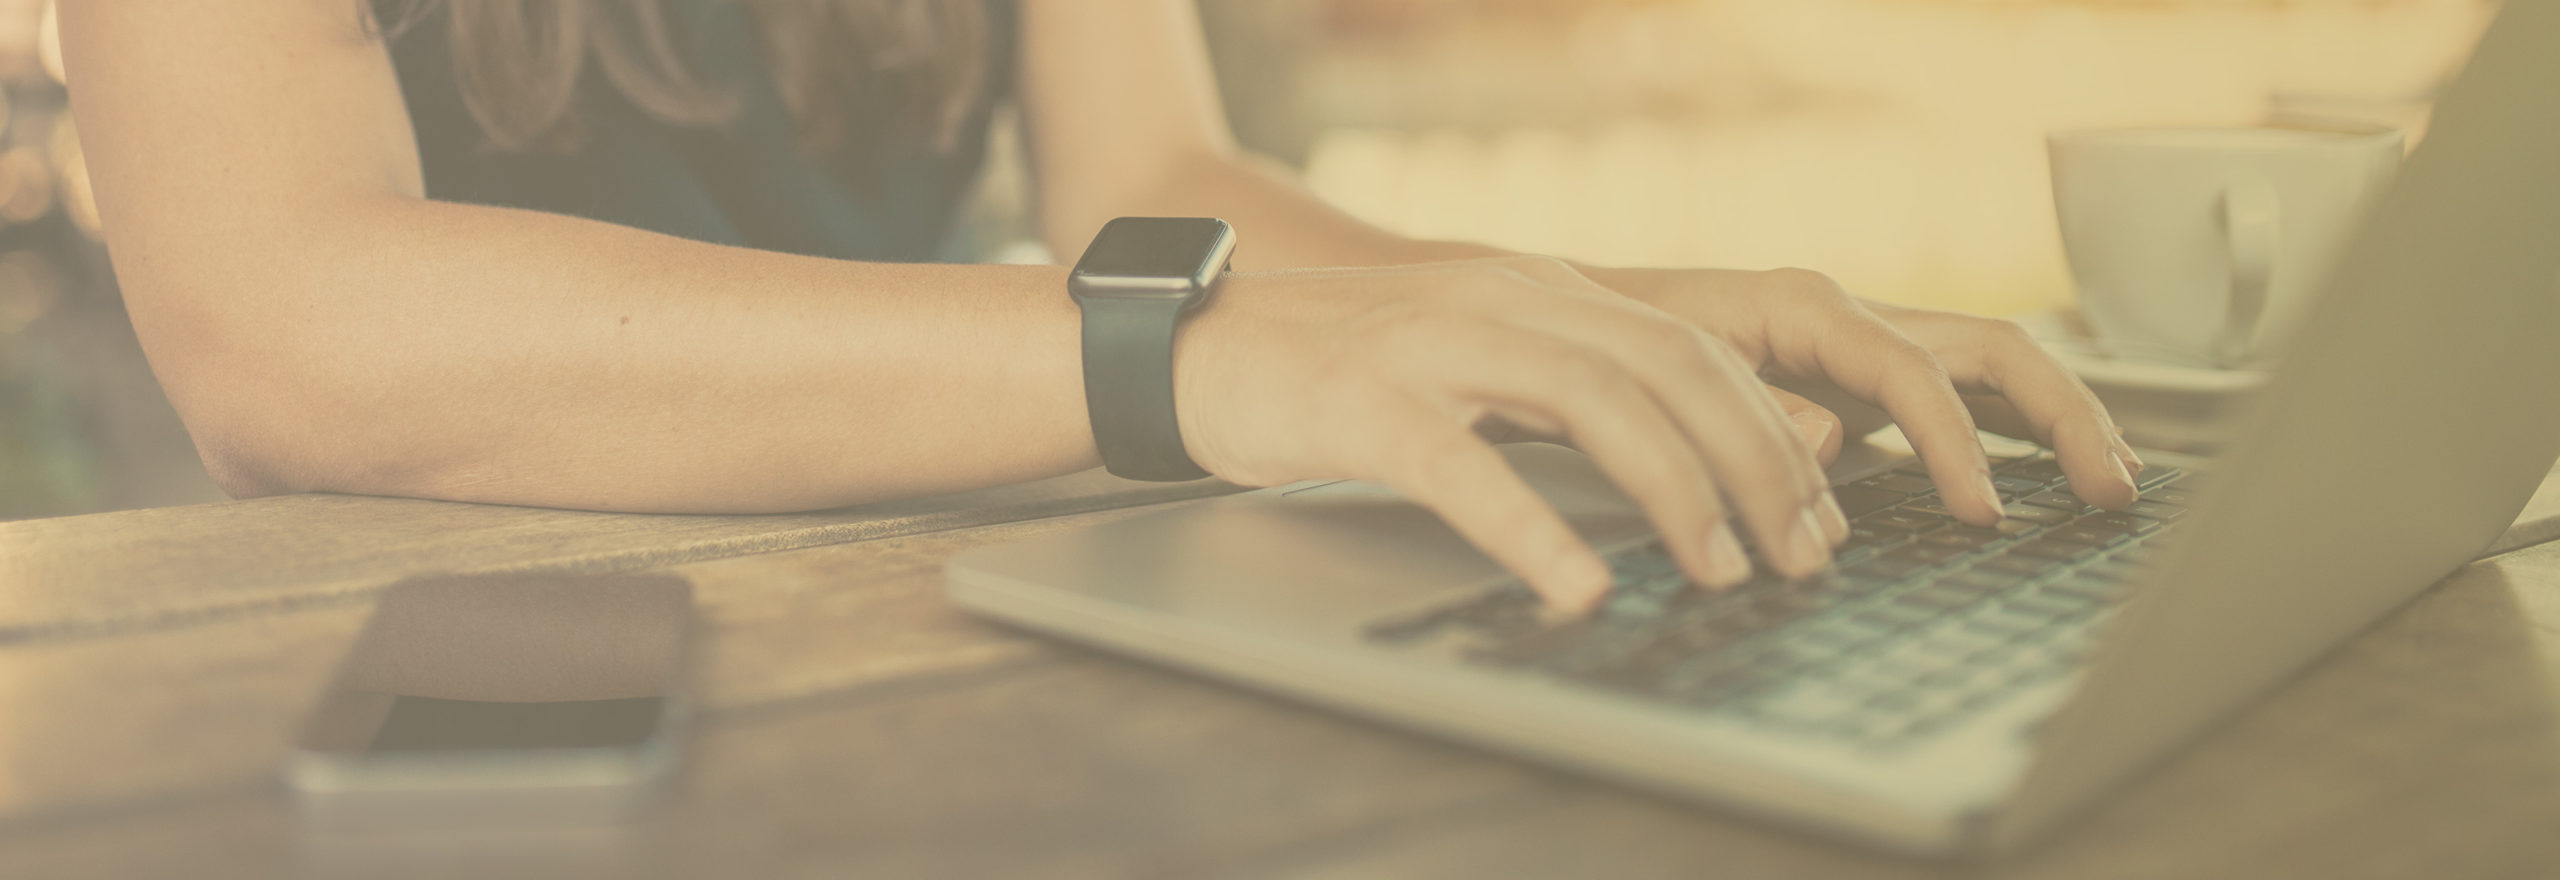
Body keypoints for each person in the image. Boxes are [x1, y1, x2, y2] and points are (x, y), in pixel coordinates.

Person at [59, 0, 2139, 613]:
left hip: (880, 614)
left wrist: (1600, 314)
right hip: (412, 702)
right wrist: (1172, 353)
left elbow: (1145, 183)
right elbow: (291, 322)